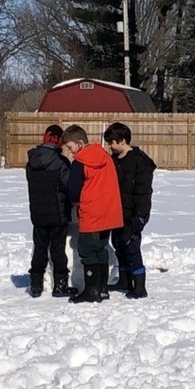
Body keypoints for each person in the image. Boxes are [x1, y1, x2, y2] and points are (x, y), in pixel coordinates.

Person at [62, 124, 123, 303]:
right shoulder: (106, 157)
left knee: (88, 251)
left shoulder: (80, 163)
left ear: (80, 143)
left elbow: (73, 192)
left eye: (70, 147)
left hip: (91, 213)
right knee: (101, 249)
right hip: (109, 212)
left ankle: (91, 290)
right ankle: (103, 288)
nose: (71, 152)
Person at [103, 121, 157, 299]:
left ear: (123, 141)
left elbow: (143, 192)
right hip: (116, 213)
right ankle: (125, 281)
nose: (110, 146)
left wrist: (139, 217)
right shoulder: (113, 160)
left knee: (132, 248)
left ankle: (140, 287)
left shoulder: (138, 162)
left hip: (133, 215)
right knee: (119, 246)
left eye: (112, 142)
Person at [25, 125, 72, 297]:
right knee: (58, 250)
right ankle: (60, 284)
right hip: (58, 214)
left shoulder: (31, 162)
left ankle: (36, 283)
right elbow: (69, 187)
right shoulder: (61, 163)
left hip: (37, 213)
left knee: (40, 248)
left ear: (45, 136)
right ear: (58, 140)